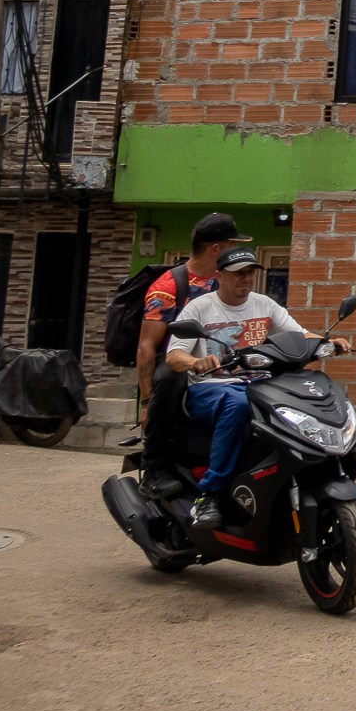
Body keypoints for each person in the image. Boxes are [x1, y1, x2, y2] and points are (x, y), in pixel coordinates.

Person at [165, 247, 332, 528]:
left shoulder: (264, 304)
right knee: (240, 405)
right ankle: (210, 493)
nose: (246, 279)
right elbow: (173, 357)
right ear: (219, 276)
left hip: (259, 383)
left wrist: (329, 342)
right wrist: (196, 361)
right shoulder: (200, 308)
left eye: (250, 273)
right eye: (238, 274)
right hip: (212, 388)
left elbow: (299, 334)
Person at [136, 213, 248, 496]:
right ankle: (153, 471)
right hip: (179, 362)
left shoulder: (228, 280)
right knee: (172, 376)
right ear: (216, 249)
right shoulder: (168, 287)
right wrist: (147, 401)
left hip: (222, 361)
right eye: (233, 244)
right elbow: (147, 346)